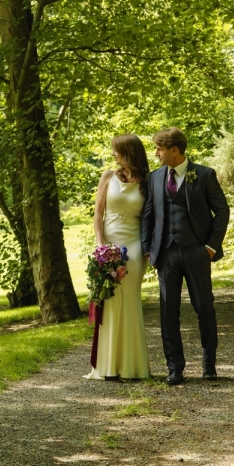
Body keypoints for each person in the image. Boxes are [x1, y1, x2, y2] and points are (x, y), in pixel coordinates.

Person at [140, 127, 230, 386]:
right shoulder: (155, 178)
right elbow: (149, 215)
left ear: (175, 150)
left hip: (196, 251)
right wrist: (150, 250)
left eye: (160, 149)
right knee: (168, 312)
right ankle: (175, 368)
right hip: (165, 255)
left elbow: (222, 211)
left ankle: (209, 365)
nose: (156, 154)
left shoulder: (203, 175)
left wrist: (211, 247)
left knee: (204, 307)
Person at [85, 134, 152, 380]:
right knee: (110, 302)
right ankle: (108, 367)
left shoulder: (147, 182)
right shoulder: (108, 177)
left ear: (130, 152)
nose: (113, 154)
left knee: (130, 301)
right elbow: (98, 214)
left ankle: (132, 367)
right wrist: (101, 246)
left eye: (117, 151)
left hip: (134, 249)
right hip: (108, 246)